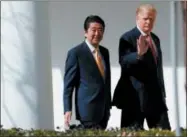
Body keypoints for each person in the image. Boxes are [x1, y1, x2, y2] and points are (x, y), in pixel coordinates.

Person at [112, 4, 171, 130]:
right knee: (132, 133)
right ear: (137, 18)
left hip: (156, 98)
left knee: (164, 132)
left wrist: (162, 92)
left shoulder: (155, 39)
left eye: (152, 19)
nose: (149, 21)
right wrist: (138, 55)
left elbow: (157, 68)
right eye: (145, 18)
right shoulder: (127, 38)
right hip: (135, 98)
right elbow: (124, 61)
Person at [63, 15, 111, 130]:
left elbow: (106, 80)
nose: (97, 33)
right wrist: (67, 109)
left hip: (104, 110)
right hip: (87, 109)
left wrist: (108, 106)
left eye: (100, 30)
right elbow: (68, 85)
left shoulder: (105, 52)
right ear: (85, 32)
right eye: (93, 30)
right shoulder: (76, 53)